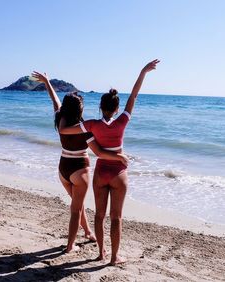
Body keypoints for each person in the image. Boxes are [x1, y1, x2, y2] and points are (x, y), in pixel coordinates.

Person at [60, 59, 160, 264]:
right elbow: (134, 95)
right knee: (116, 217)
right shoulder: (122, 121)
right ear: (116, 109)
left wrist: (64, 121)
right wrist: (143, 72)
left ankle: (101, 253)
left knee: (99, 215)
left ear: (100, 106)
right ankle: (114, 257)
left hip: (100, 172)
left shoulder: (91, 125)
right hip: (119, 173)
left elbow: (64, 130)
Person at [32, 71, 129, 253]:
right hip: (79, 169)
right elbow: (99, 152)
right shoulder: (85, 130)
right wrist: (119, 157)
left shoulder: (60, 118)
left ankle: (88, 232)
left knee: (77, 204)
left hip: (63, 169)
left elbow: (55, 101)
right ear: (80, 110)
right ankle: (70, 246)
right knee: (75, 209)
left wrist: (47, 82)